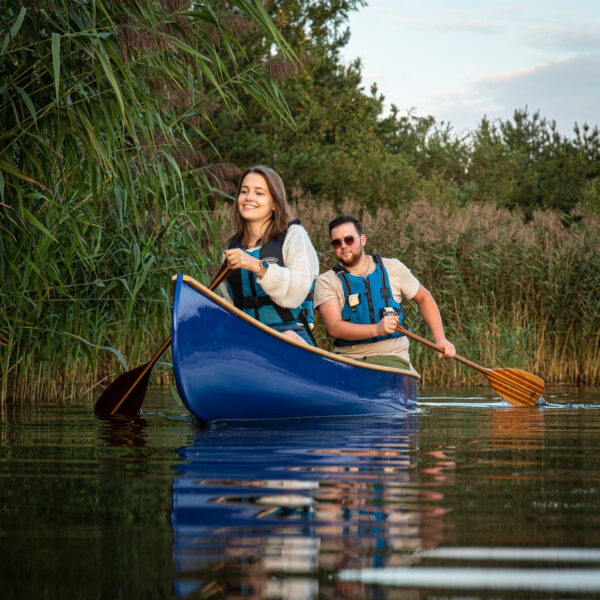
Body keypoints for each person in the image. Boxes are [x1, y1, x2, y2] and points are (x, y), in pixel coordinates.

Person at [314, 215, 455, 368]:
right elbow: (334, 327)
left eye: (349, 239)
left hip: (393, 357)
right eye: (336, 242)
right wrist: (377, 329)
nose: (343, 246)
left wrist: (440, 339)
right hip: (349, 359)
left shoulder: (393, 267)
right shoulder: (326, 281)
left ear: (362, 240)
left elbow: (424, 297)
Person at [219, 165, 319, 345]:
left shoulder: (294, 235)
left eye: (259, 193)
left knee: (287, 338)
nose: (249, 197)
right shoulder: (230, 248)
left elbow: (296, 293)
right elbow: (229, 304)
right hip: (248, 336)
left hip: (291, 332)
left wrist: (258, 267)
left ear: (274, 203)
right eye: (244, 191)